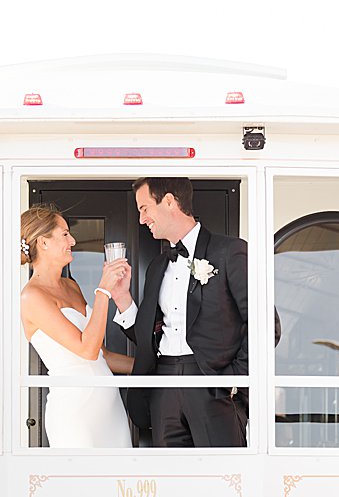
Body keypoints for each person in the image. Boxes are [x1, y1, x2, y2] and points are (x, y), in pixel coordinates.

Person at [109, 177, 262, 447]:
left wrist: (233, 380)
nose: (142, 219)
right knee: (172, 482)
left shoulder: (230, 251)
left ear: (169, 202)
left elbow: (264, 325)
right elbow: (148, 338)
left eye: (145, 208)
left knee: (222, 478)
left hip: (214, 387)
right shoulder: (158, 265)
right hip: (163, 388)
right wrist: (122, 298)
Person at [19, 205, 134, 448]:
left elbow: (102, 356)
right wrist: (103, 291)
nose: (72, 240)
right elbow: (87, 350)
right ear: (43, 242)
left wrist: (157, 366)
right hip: (76, 411)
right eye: (64, 234)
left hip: (110, 409)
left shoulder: (71, 286)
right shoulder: (32, 296)